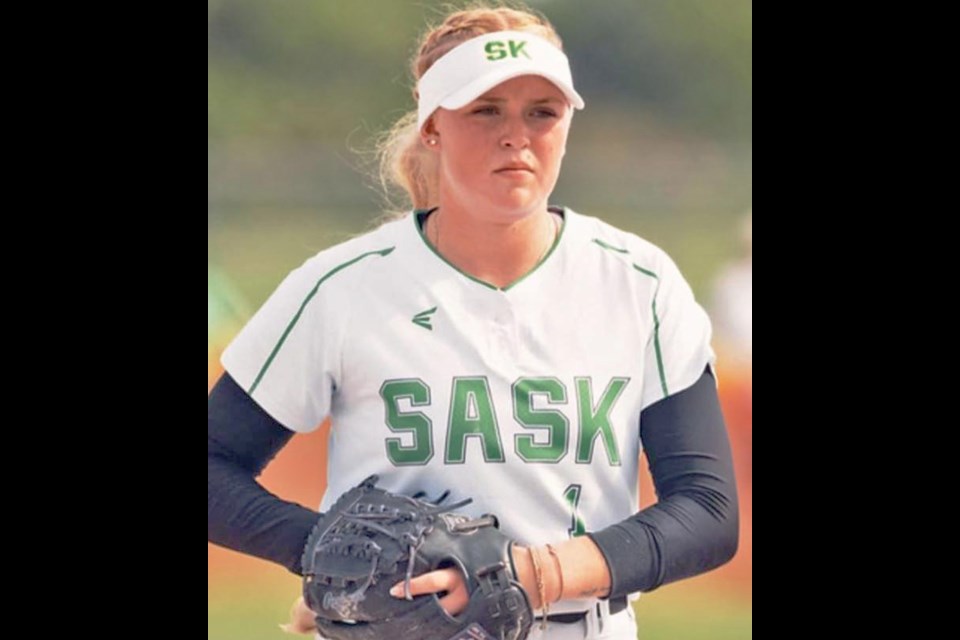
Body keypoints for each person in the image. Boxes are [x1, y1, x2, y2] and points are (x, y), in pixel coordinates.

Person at [208, 4, 739, 639]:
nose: (516, 134)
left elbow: (708, 511)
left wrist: (532, 576)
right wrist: (333, 555)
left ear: (567, 125)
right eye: (485, 110)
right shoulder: (343, 288)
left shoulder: (639, 284)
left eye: (542, 112)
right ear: (432, 126)